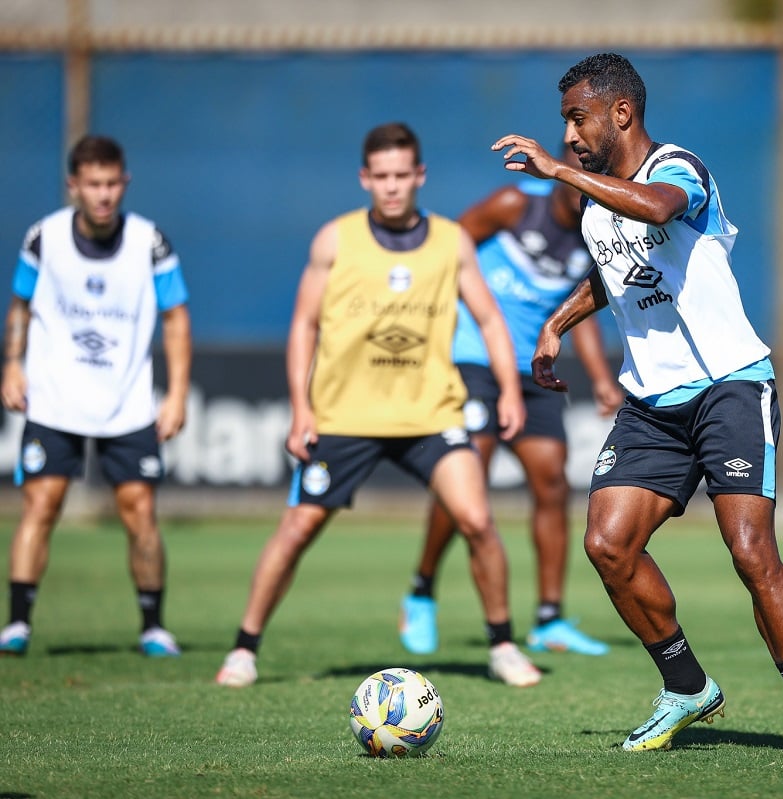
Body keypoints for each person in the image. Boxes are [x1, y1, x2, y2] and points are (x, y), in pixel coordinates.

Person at [491, 53, 783, 755]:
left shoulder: (678, 168)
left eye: (578, 117)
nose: (568, 135)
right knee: (608, 544)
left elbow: (655, 210)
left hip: (730, 384)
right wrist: (558, 324)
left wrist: (560, 174)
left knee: (750, 551)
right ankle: (686, 686)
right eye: (564, 122)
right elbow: (610, 270)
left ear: (621, 112)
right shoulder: (597, 194)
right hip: (651, 401)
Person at [215, 122, 541, 688]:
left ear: (420, 176)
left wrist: (510, 389)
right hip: (346, 418)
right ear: (366, 178)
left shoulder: (451, 241)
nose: (392, 187)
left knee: (478, 520)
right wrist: (302, 408)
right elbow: (304, 325)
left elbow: (489, 318)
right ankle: (244, 650)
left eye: (402, 175)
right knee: (296, 530)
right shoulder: (334, 240)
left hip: (432, 414)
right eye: (381, 176)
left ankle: (502, 645)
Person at [399, 148, 624, 657]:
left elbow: (577, 310)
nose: (580, 180)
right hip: (474, 358)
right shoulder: (513, 204)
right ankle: (422, 590)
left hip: (533, 370)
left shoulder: (597, 230)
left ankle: (549, 618)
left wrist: (600, 377)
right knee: (466, 480)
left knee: (550, 482)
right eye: (572, 169)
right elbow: (446, 251)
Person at [0, 134, 192, 658]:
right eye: (93, 184)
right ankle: (17, 624)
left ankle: (153, 626)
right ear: (74, 186)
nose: (104, 195)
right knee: (41, 504)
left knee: (139, 512)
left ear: (124, 183)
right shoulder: (44, 237)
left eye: (112, 184)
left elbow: (175, 319)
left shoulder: (150, 242)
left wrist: (175, 394)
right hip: (55, 397)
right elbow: (19, 305)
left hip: (126, 400)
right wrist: (12, 364)